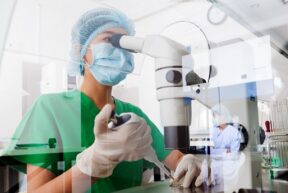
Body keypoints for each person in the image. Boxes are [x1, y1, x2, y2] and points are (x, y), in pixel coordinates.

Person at [11, 7, 209, 193]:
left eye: (125, 44)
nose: (120, 52)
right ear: (82, 50)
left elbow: (175, 159)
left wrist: (189, 162)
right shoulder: (49, 109)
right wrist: (94, 165)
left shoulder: (134, 115)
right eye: (110, 40)